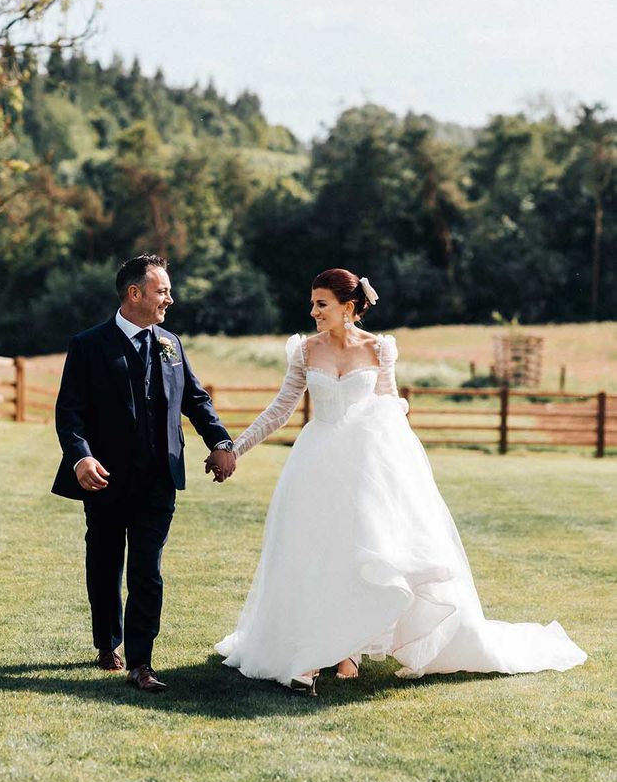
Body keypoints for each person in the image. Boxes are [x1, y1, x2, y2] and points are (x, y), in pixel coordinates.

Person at [215, 268, 586, 693]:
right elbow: (280, 410)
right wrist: (234, 448)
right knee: (315, 554)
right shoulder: (304, 351)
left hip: (366, 465)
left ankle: (347, 649)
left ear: (348, 308)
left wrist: (404, 472)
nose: (313, 311)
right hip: (315, 465)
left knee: (362, 555)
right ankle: (310, 656)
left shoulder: (379, 350)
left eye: (322, 304)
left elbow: (390, 409)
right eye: (313, 303)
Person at [53, 254, 236, 692]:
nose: (169, 298)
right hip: (105, 479)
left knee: (147, 570)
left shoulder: (171, 343)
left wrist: (223, 443)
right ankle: (106, 643)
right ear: (134, 293)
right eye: (162, 291)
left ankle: (141, 662)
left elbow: (196, 399)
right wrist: (81, 457)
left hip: (159, 478)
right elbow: (70, 412)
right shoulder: (88, 345)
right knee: (104, 563)